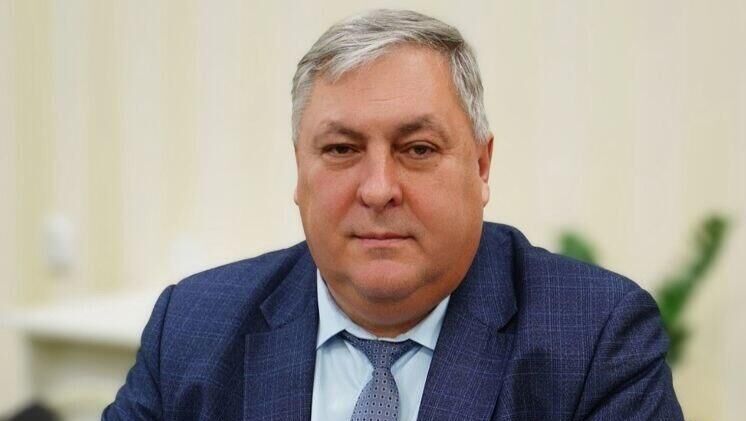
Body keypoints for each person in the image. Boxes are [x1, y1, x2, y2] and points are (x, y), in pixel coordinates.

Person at [103, 9, 684, 421]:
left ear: (481, 166)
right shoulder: (192, 328)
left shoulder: (593, 339)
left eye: (418, 149)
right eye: (341, 149)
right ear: (299, 171)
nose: (379, 189)